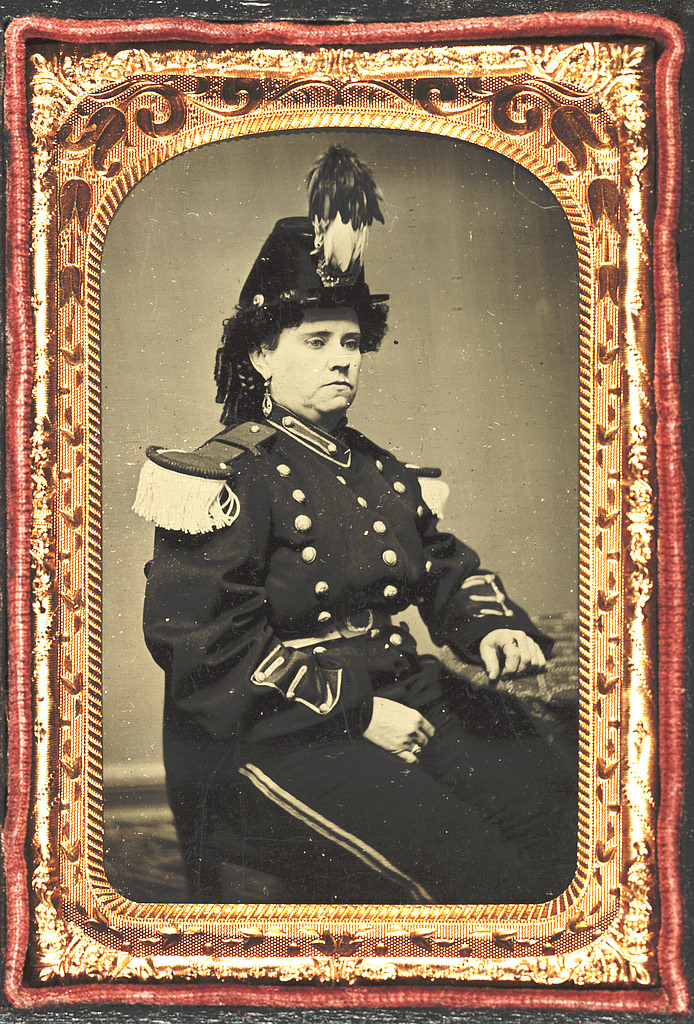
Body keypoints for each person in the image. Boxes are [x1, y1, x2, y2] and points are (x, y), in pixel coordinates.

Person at [134, 146, 576, 905]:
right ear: (263, 354)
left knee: (560, 815)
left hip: (398, 691)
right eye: (316, 342)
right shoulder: (222, 473)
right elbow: (205, 657)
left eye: (350, 343)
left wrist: (487, 626)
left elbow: (441, 565)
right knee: (477, 874)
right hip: (269, 739)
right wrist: (360, 714)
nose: (343, 361)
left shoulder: (372, 465)